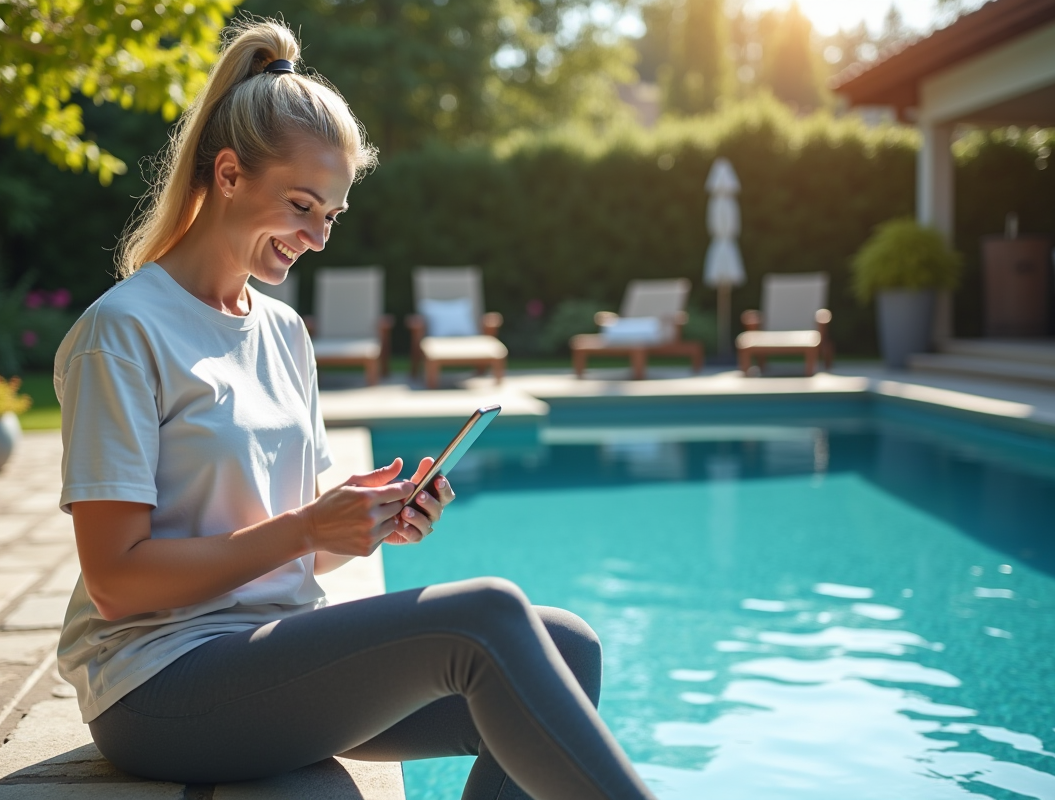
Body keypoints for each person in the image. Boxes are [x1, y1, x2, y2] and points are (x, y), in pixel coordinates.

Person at [54, 17, 655, 800]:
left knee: (567, 646)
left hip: (274, 655)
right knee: (487, 615)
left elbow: (299, 554)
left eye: (330, 215)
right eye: (302, 205)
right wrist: (306, 526)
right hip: (162, 687)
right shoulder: (123, 331)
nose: (317, 236)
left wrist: (363, 526)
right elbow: (116, 583)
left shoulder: (281, 333)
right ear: (229, 174)